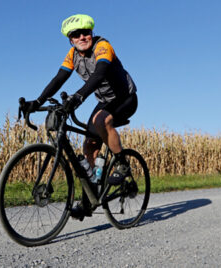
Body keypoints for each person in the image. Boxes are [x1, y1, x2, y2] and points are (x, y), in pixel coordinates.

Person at [25, 14, 138, 220]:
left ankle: (122, 163)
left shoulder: (103, 46)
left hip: (125, 98)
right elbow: (59, 78)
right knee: (88, 145)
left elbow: (100, 73)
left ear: (91, 33)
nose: (82, 37)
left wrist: (79, 97)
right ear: (71, 39)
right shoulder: (73, 54)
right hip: (105, 101)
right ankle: (89, 200)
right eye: (76, 35)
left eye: (86, 33)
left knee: (101, 120)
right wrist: (38, 101)